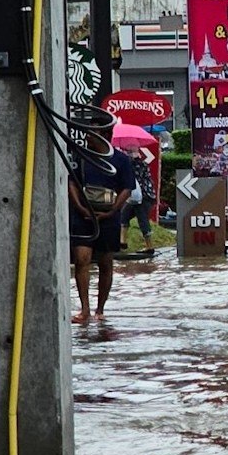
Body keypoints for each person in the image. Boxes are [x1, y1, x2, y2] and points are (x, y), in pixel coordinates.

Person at [68, 127, 135, 324]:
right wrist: (80, 208)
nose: (87, 137)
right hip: (83, 217)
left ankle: (100, 308)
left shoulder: (121, 160)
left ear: (104, 136)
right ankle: (85, 309)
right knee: (82, 259)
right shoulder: (80, 157)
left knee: (106, 262)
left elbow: (127, 188)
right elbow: (72, 182)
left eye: (91, 134)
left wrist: (113, 211)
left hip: (109, 218)